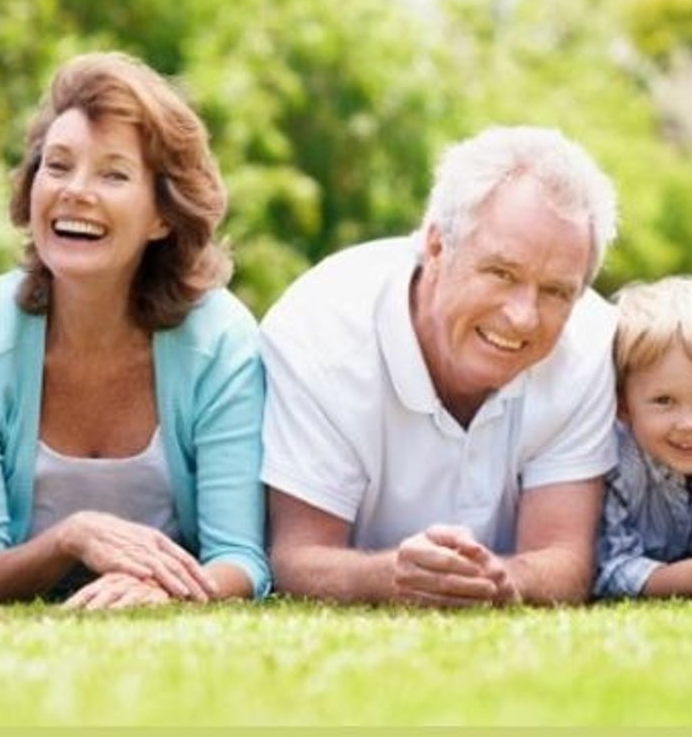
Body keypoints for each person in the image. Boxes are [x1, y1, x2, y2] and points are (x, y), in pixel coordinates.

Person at [0, 52, 268, 609]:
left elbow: (241, 558)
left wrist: (160, 589)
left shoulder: (220, 340)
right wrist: (71, 538)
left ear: (162, 215)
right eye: (57, 166)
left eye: (113, 174)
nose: (75, 190)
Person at [261, 126, 618, 607]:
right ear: (435, 247)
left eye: (556, 291)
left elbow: (564, 558)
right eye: (501, 273)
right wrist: (388, 578)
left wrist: (505, 582)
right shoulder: (319, 331)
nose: (523, 316)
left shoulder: (591, 338)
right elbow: (296, 557)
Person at [594, 276, 692, 600]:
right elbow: (610, 570)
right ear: (623, 406)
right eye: (664, 401)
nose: (689, 424)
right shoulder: (613, 463)